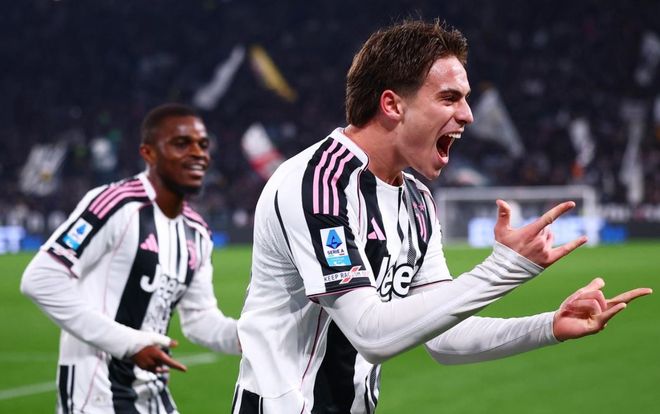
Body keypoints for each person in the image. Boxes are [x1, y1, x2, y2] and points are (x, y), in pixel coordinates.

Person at [231, 19, 652, 413]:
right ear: (392, 105)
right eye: (449, 98)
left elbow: (444, 338)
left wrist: (549, 326)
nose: (467, 114)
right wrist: (506, 268)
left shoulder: (416, 200)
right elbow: (371, 334)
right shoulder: (318, 184)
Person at [21, 103, 241, 413]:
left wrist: (253, 336)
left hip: (153, 395)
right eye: (182, 143)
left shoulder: (197, 232)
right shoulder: (116, 205)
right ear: (148, 153)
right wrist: (129, 343)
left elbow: (200, 319)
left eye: (203, 145)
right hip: (96, 398)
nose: (198, 153)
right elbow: (41, 279)